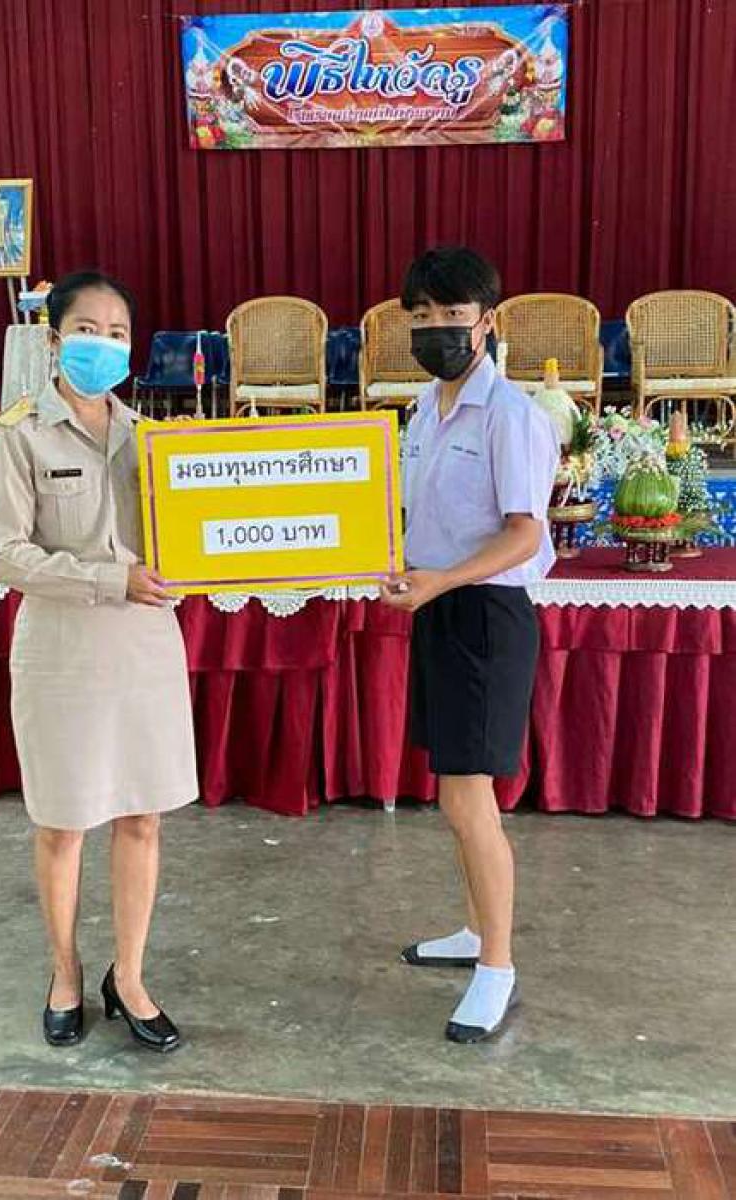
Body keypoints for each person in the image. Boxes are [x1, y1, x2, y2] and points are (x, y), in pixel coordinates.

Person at [0, 270, 197, 1052]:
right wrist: (111, 579)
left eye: (117, 334)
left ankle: (128, 976)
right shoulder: (17, 435)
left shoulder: (154, 439)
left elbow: (194, 536)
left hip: (145, 648)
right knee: (64, 823)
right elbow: (1, 553)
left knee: (142, 816)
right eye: (86, 330)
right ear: (53, 339)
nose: (101, 345)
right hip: (63, 656)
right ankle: (65, 972)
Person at [381, 246, 559, 1044]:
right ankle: (475, 930)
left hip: (486, 614)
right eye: (421, 316)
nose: (437, 330)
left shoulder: (511, 415)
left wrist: (441, 580)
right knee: (454, 790)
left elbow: (524, 534)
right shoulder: (423, 410)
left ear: (487, 321)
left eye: (452, 315)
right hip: (439, 607)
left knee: (467, 796)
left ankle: (498, 967)